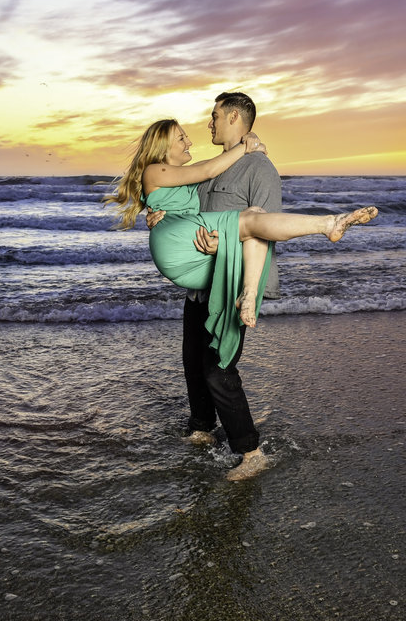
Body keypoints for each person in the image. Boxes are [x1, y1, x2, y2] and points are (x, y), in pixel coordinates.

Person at [106, 93, 377, 479]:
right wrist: (158, 214)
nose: (207, 125)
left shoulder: (258, 168)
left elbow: (265, 228)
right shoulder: (211, 169)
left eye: (214, 115)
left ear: (233, 116)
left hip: (233, 280)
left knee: (219, 369)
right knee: (193, 363)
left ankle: (251, 452)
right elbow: (187, 202)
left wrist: (228, 248)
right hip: (202, 281)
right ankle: (202, 429)